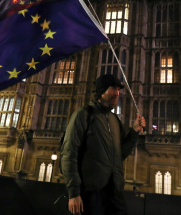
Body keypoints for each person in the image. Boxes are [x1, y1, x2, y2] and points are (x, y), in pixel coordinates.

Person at [60, 74, 146, 215]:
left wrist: (134, 132)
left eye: (118, 90)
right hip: (91, 193)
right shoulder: (83, 115)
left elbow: (119, 155)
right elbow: (69, 154)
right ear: (101, 91)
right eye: (113, 89)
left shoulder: (115, 120)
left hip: (114, 192)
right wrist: (74, 193)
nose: (117, 93)